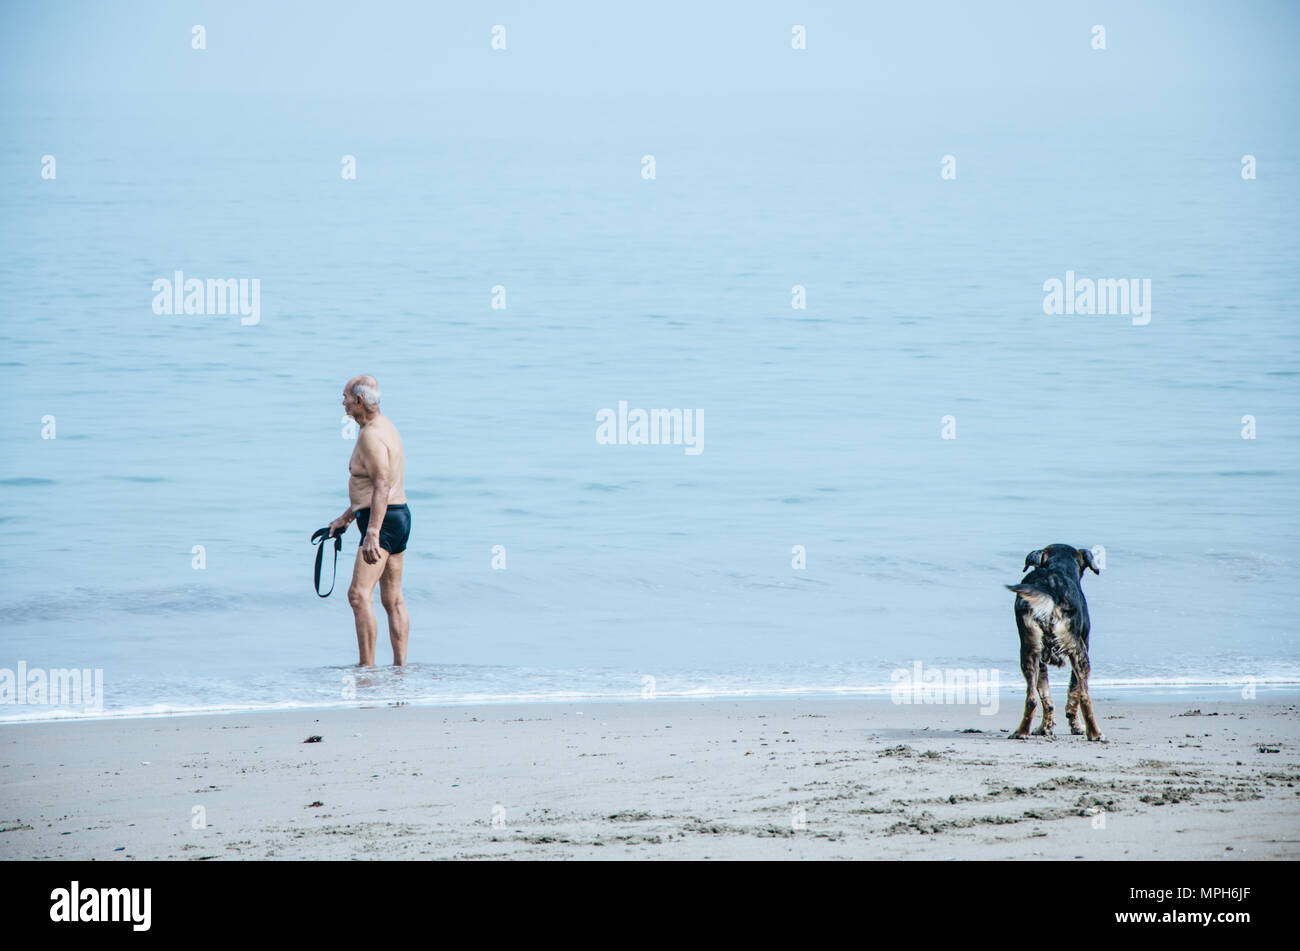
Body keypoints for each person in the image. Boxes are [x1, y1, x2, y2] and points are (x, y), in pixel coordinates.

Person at [326, 375, 411, 666]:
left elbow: (382, 484)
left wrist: (372, 531)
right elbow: (375, 485)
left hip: (383, 523)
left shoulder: (371, 436)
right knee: (393, 599)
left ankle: (367, 670)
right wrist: (347, 517)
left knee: (358, 595)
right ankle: (401, 670)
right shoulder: (386, 427)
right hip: (399, 517)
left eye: (346, 398)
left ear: (359, 401)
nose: (343, 403)